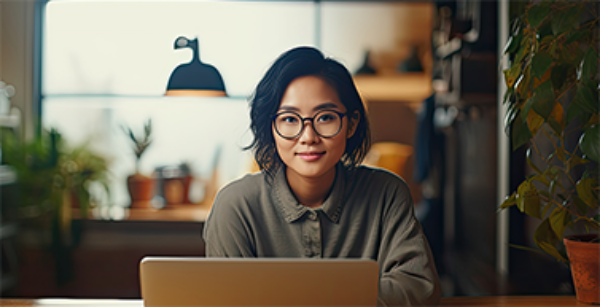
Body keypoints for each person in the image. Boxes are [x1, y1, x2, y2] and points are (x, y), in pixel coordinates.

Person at [203, 46, 441, 307]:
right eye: (290, 119)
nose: (308, 137)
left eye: (325, 117)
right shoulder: (235, 205)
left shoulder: (387, 193)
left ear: (351, 124)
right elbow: (228, 300)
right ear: (271, 127)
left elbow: (420, 289)